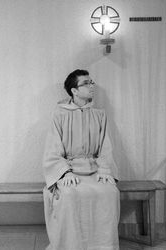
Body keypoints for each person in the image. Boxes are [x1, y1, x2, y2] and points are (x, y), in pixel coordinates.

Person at [42, 69, 120, 250]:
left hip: (95, 168)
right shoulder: (59, 115)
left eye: (91, 82)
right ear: (74, 91)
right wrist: (64, 172)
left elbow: (105, 146)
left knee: (109, 192)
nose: (92, 86)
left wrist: (105, 169)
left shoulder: (99, 115)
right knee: (69, 195)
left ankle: (103, 246)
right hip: (69, 170)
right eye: (86, 83)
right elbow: (52, 149)